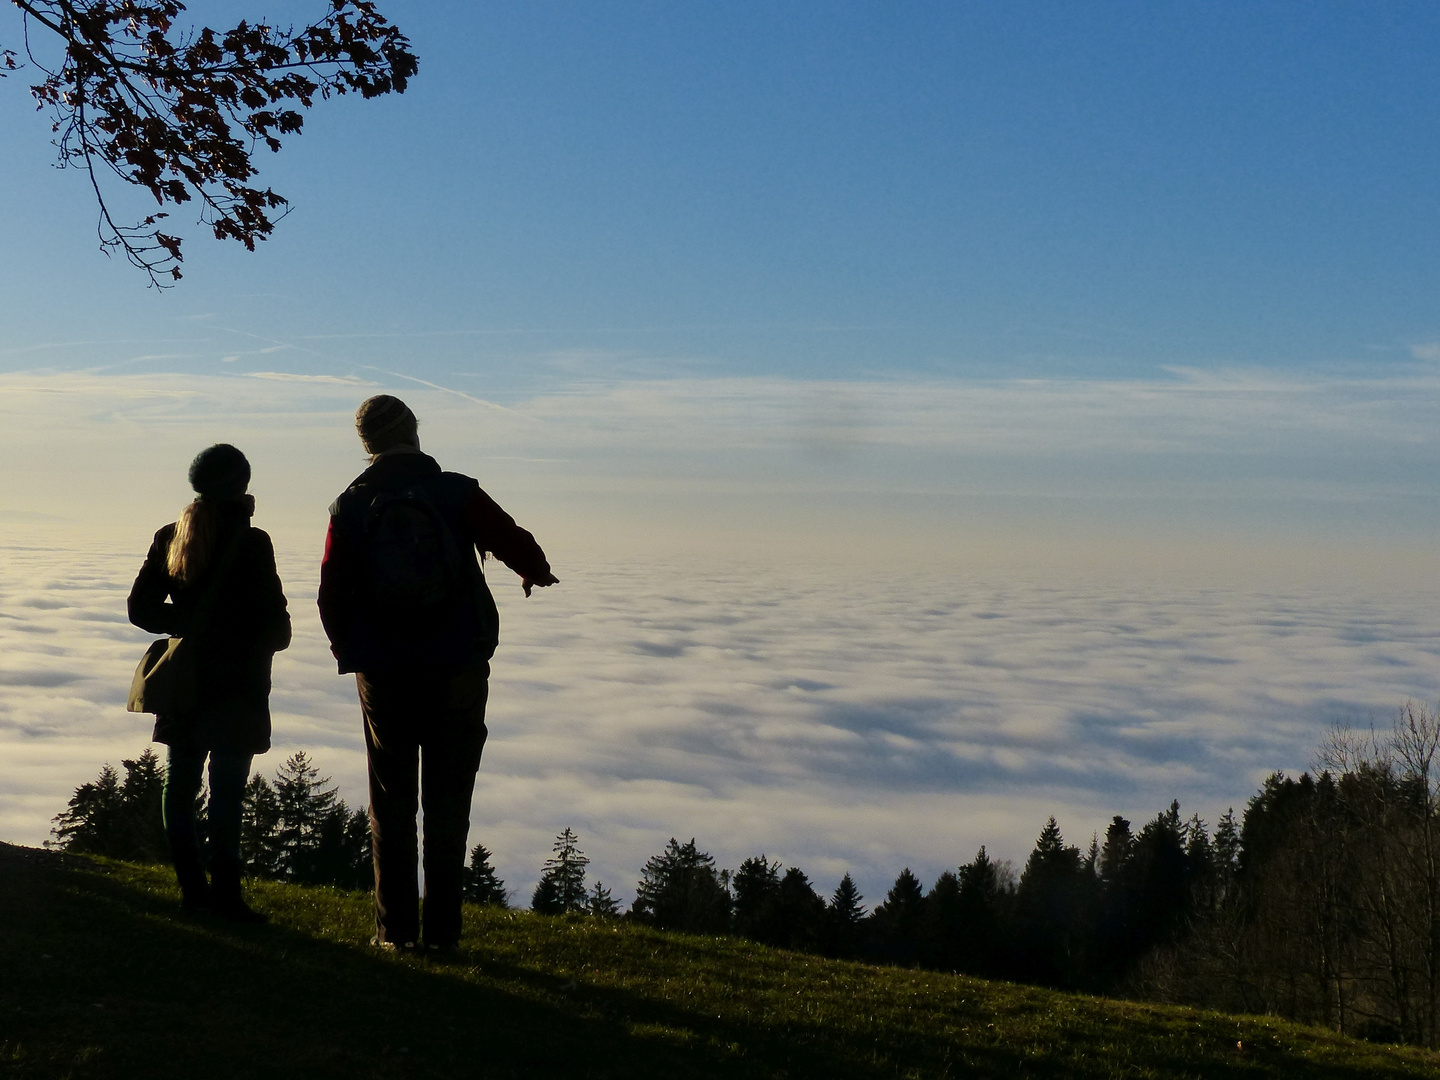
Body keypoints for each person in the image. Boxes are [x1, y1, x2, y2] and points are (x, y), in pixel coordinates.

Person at [318, 395, 557, 951]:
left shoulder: (350, 504)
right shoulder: (456, 490)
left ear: (367, 444)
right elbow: (515, 541)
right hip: (457, 663)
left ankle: (394, 933)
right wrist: (536, 572)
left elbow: (332, 589)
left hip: (383, 668)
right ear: (414, 431)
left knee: (391, 798)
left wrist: (348, 649)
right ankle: (443, 934)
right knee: (450, 799)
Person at [128, 443, 292, 922]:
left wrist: (189, 623)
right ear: (241, 485)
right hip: (239, 684)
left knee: (180, 785)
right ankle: (228, 900)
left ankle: (192, 894)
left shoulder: (169, 535)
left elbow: (140, 610)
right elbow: (274, 623)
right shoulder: (252, 539)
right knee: (226, 791)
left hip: (186, 681)